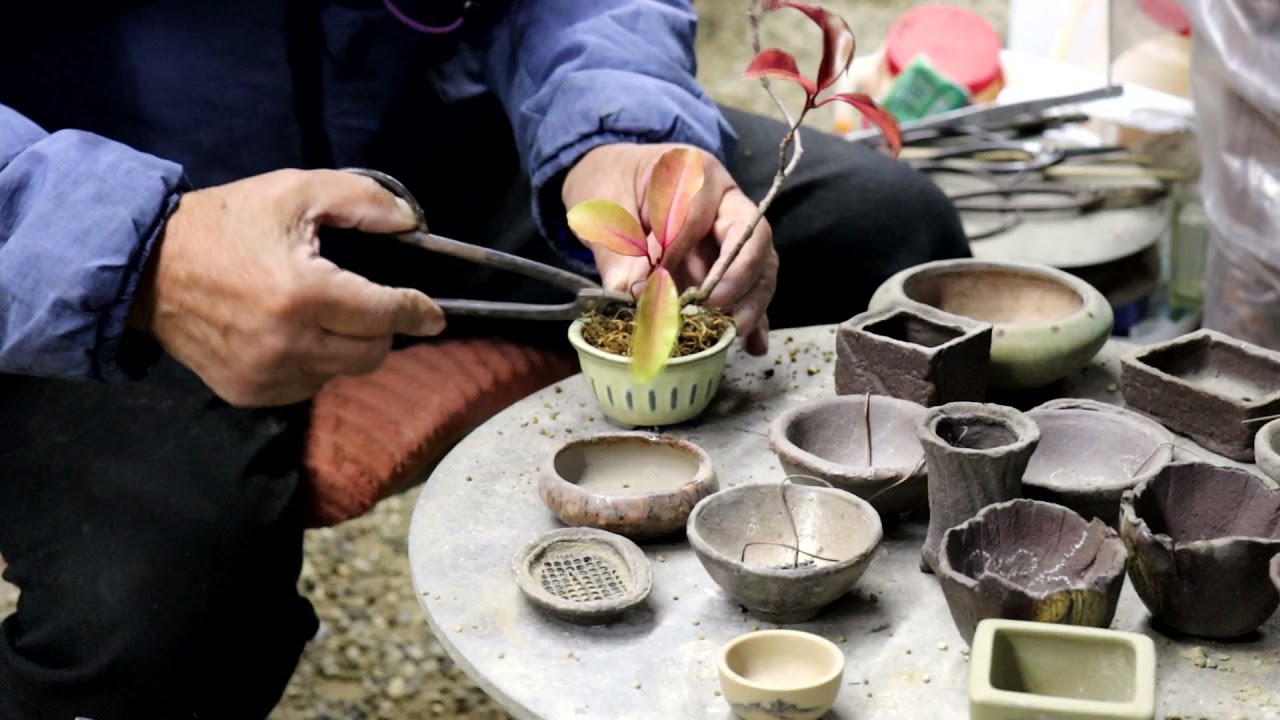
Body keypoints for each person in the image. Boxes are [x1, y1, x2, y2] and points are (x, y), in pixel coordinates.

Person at [0, 1, 968, 717]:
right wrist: (140, 255)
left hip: (423, 140)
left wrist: (615, 130)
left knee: (881, 239)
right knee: (148, 614)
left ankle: (834, 630)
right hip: (90, 219)